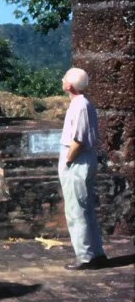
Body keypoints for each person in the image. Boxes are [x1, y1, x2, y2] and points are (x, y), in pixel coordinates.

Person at [59, 67, 107, 270]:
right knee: (85, 209)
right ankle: (96, 253)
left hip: (77, 160)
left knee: (76, 210)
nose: (62, 81)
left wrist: (69, 159)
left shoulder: (79, 106)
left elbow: (78, 139)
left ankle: (86, 256)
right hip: (83, 158)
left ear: (69, 86)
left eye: (64, 79)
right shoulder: (84, 104)